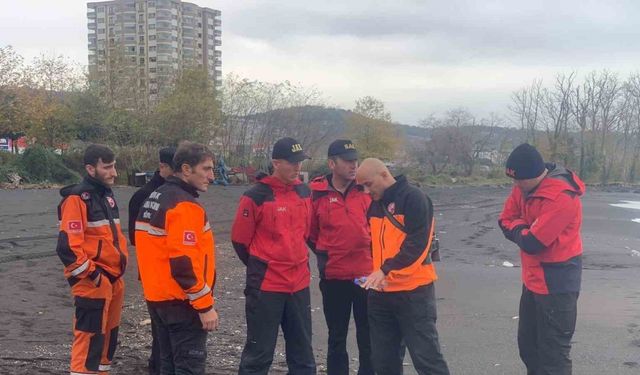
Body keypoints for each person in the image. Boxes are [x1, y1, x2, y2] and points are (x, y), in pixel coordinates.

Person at [355, 158, 450, 375]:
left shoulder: (414, 198)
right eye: (362, 187)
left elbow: (417, 245)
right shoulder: (375, 205)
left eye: (368, 184)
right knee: (383, 362)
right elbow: (375, 245)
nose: (366, 191)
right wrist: (375, 274)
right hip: (381, 293)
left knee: (427, 359)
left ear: (384, 175)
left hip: (414, 292)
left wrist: (384, 270)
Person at [231, 137, 316, 375]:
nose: (298, 167)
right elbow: (240, 241)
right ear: (276, 163)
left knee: (303, 354)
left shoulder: (304, 192)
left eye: (300, 162)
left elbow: (306, 233)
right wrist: (263, 265)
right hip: (267, 286)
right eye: (292, 162)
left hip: (298, 283)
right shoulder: (255, 196)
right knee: (258, 355)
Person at [498, 143, 585, 375]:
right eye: (512, 181)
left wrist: (521, 229)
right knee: (529, 348)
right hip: (533, 279)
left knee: (554, 356)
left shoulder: (562, 197)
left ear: (536, 174)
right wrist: (524, 228)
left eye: (519, 181)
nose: (515, 186)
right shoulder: (523, 186)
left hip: (558, 283)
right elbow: (504, 220)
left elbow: (533, 243)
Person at [135, 142, 218, 375]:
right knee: (187, 367)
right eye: (206, 169)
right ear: (186, 169)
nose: (211, 176)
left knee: (166, 365)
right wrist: (205, 306)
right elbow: (183, 263)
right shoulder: (184, 206)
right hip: (182, 304)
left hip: (157, 299)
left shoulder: (156, 197)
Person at [56, 144, 129, 375]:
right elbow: (67, 248)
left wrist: (111, 276)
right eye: (107, 167)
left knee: (108, 337)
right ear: (90, 168)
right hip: (93, 280)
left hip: (112, 278)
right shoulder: (77, 199)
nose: (114, 172)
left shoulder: (106, 196)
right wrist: (94, 275)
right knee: (89, 338)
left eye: (114, 166)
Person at [308, 140, 373, 375]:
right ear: (332, 163)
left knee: (368, 335)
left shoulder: (366, 189)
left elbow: (378, 227)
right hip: (334, 276)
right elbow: (311, 234)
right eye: (347, 161)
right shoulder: (316, 194)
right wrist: (328, 253)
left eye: (355, 160)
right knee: (337, 336)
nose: (353, 165)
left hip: (366, 276)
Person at [127, 146, 175, 375]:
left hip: (171, 271)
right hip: (155, 271)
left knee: (168, 329)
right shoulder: (144, 195)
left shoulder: (179, 193)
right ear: (163, 166)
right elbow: (135, 238)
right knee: (161, 328)